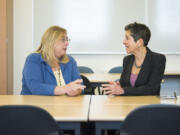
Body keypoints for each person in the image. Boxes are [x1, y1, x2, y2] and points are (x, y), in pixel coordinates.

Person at [102, 22, 166, 96]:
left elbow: (151, 89)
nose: (123, 42)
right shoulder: (127, 60)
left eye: (127, 38)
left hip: (148, 105)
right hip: (127, 104)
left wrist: (123, 90)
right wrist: (118, 86)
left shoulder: (158, 59)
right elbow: (124, 86)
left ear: (139, 42)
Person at [21, 26, 85, 96]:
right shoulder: (33, 59)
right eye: (63, 40)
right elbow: (36, 87)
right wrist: (65, 89)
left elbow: (80, 85)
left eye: (67, 40)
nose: (67, 43)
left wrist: (76, 91)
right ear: (51, 42)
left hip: (65, 105)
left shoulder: (70, 61)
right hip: (37, 105)